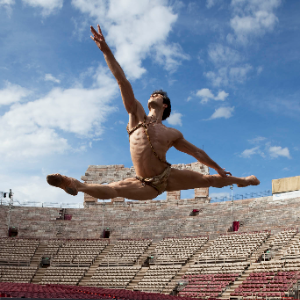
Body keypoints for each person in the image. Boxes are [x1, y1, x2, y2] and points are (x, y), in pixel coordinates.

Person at [46, 24, 260, 201]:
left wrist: (219, 168)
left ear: (165, 104)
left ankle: (244, 181)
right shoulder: (136, 114)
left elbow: (198, 153)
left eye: (157, 95)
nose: (152, 95)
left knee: (209, 180)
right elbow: (122, 81)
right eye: (152, 94)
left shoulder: (171, 133)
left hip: (167, 176)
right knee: (113, 190)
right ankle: (73, 184)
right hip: (144, 183)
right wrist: (106, 51)